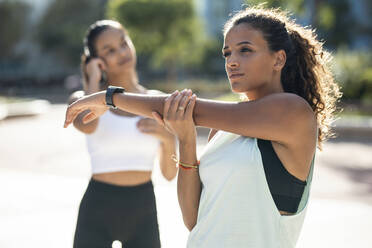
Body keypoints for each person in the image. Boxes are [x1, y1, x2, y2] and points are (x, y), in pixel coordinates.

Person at [64, 6, 341, 248]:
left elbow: (191, 109)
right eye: (227, 52)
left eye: (245, 50)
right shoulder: (221, 130)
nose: (232, 61)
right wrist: (185, 140)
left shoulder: (293, 111)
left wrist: (108, 97)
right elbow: (193, 218)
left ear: (278, 59)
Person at [68, 20, 177, 248]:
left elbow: (169, 174)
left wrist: (168, 138)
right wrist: (93, 81)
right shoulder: (82, 98)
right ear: (97, 61)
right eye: (109, 50)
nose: (121, 52)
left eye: (123, 43)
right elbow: (87, 125)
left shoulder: (157, 100)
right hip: (97, 207)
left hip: (144, 207)